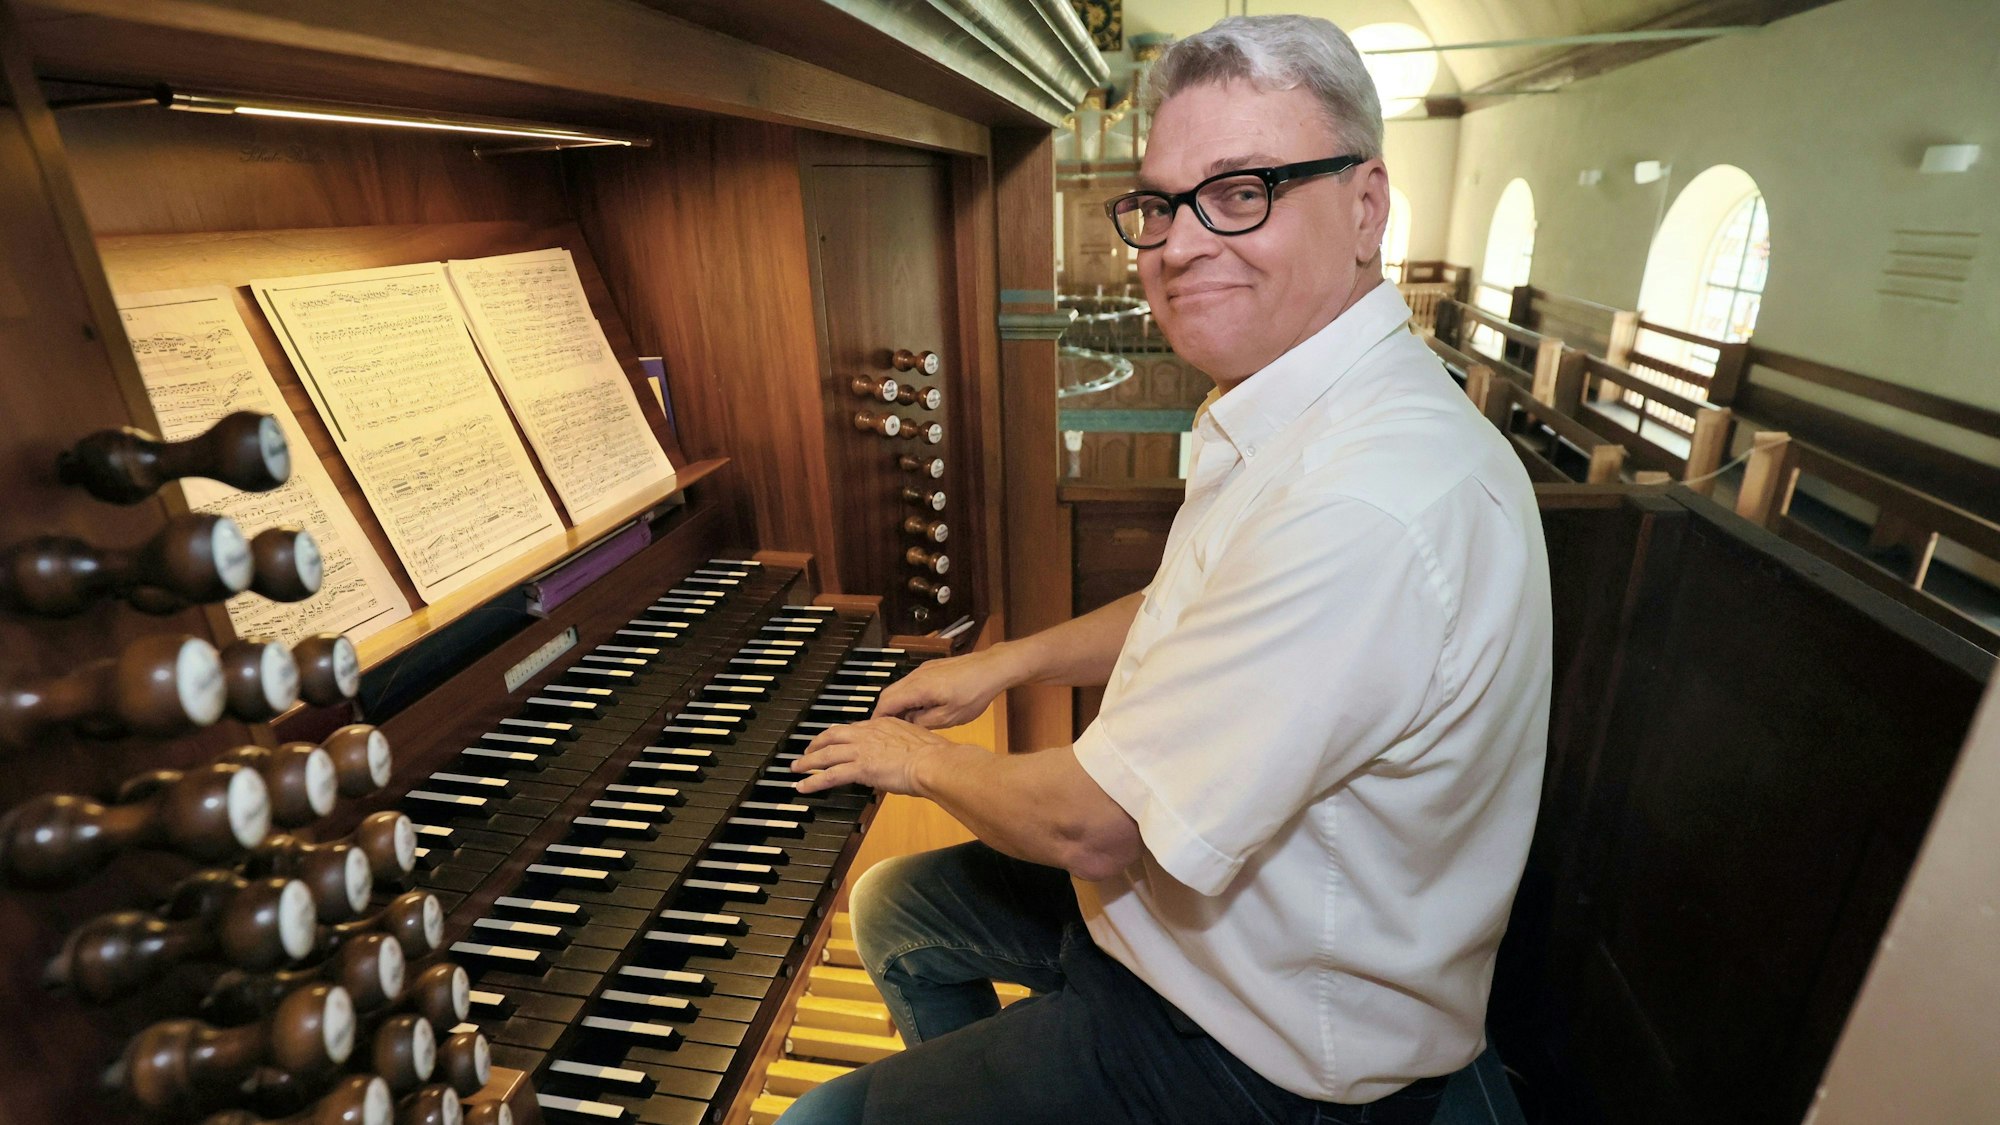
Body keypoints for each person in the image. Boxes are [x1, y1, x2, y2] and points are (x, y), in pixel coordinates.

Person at [782, 13, 1551, 1125]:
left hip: (1269, 1045)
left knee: (815, 1121)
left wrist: (910, 759)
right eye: (1159, 205)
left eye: (1242, 191)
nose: (1177, 245)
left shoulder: (1365, 501)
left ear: (1366, 206)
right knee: (899, 909)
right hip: (1190, 931)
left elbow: (1092, 824)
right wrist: (1007, 661)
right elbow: (1202, 602)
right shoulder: (1309, 408)